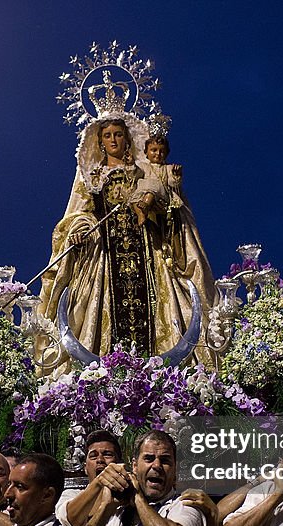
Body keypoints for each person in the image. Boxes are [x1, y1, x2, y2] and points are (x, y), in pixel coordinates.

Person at [36, 113, 216, 367]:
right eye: (107, 136)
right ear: (99, 142)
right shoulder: (92, 176)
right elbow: (79, 213)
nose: (113, 140)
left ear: (128, 139)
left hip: (146, 247)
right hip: (104, 252)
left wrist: (164, 195)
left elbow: (168, 203)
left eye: (118, 134)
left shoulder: (144, 171)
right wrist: (81, 229)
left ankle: (157, 372)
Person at [78, 430, 207, 526]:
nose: (157, 465)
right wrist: (106, 508)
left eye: (165, 460)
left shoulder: (186, 506)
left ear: (175, 470)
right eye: (149, 458)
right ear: (134, 466)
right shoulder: (116, 513)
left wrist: (138, 497)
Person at [55, 429, 122, 526]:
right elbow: (67, 522)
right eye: (93, 456)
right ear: (85, 468)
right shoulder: (71, 495)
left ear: (119, 463)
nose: (100, 460)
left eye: (107, 454)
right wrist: (99, 481)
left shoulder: (127, 498)